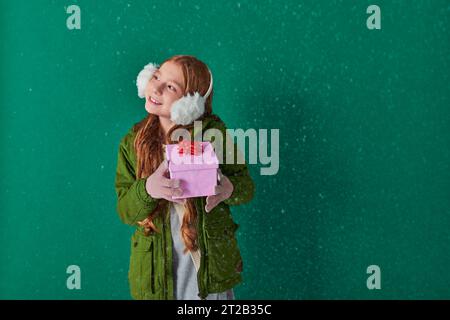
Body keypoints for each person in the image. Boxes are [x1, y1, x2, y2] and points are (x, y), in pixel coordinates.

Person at [114, 55, 255, 300]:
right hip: (156, 275)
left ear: (189, 103)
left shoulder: (213, 135)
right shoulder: (132, 142)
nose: (155, 87)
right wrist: (147, 189)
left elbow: (246, 187)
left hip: (207, 271)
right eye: (156, 77)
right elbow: (125, 211)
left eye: (171, 86)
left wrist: (229, 189)